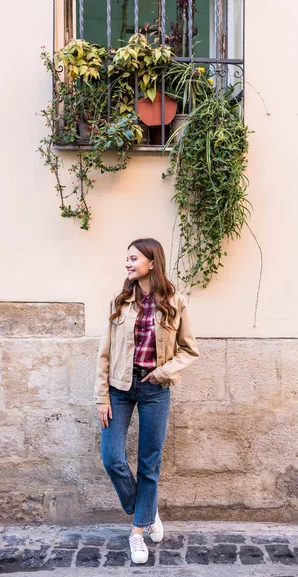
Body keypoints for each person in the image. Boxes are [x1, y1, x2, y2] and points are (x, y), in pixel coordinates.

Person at [94, 238, 199, 564]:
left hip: (155, 390)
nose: (128, 263)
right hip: (119, 389)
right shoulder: (120, 300)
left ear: (152, 262)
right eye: (127, 258)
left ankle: (137, 532)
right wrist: (101, 396)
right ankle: (147, 510)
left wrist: (163, 372)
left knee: (149, 463)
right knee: (112, 457)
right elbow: (105, 352)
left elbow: (189, 350)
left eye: (133, 258)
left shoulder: (175, 302)